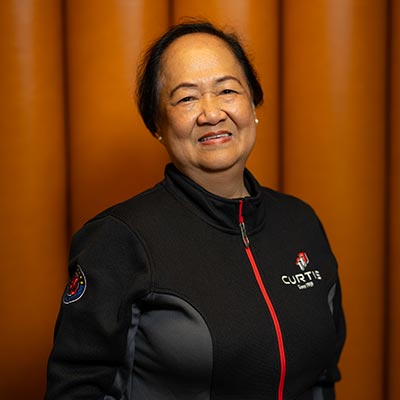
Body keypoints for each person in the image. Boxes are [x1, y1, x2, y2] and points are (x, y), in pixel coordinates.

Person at [45, 21, 345, 400]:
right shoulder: (118, 239)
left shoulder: (300, 222)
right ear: (157, 123)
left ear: (253, 104)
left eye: (227, 90)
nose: (211, 113)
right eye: (186, 98)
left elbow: (322, 378)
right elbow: (74, 390)